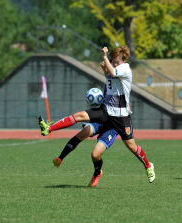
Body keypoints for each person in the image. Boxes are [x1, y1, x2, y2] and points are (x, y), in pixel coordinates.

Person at [39, 46, 155, 184]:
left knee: (131, 146)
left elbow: (113, 73)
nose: (114, 63)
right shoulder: (114, 68)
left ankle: (148, 165)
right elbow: (110, 79)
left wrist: (105, 58)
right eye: (113, 60)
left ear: (124, 60)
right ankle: (48, 128)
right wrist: (105, 68)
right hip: (106, 111)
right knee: (79, 116)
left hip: (120, 117)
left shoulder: (125, 69)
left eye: (116, 61)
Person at [52, 122, 118, 187]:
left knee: (95, 155)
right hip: (99, 120)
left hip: (113, 126)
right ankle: (60, 158)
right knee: (84, 132)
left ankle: (97, 173)